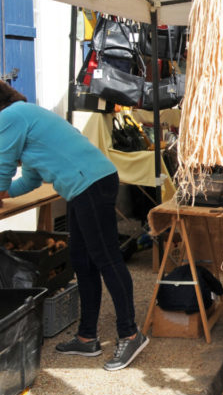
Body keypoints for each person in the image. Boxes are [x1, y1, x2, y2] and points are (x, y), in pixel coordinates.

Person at [0, 81, 147, 371]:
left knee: (107, 260)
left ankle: (130, 334)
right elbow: (29, 178)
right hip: (86, 185)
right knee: (82, 261)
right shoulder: (27, 115)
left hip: (89, 184)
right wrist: (7, 197)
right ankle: (87, 337)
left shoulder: (10, 117)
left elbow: (2, 171)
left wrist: (2, 193)